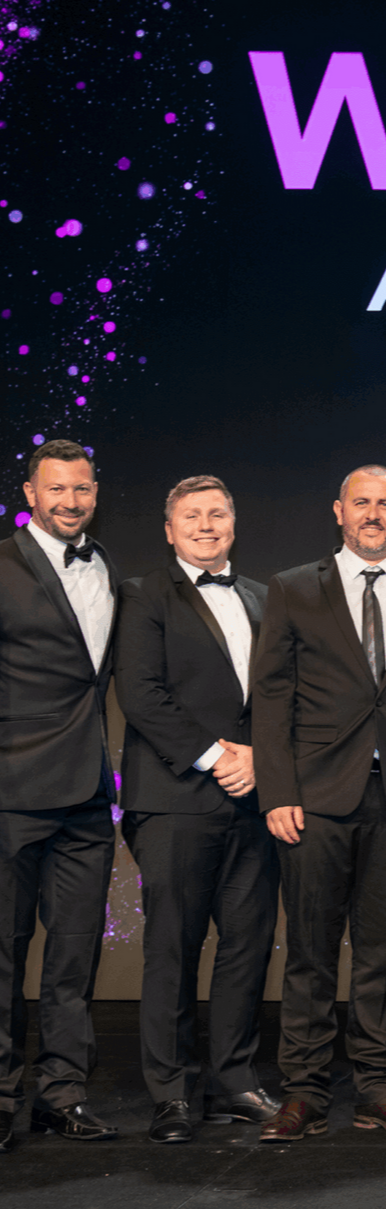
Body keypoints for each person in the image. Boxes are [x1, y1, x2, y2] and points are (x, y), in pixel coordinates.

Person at [252, 465, 386, 1142]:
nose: (373, 514)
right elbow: (272, 695)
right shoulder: (293, 587)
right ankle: (302, 1092)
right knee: (309, 951)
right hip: (313, 800)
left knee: (380, 951)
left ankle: (377, 1088)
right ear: (338, 510)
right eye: (361, 503)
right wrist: (277, 790)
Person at [114, 475, 279, 1143]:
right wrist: (221, 756)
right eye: (192, 515)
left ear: (233, 524)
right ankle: (173, 1092)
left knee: (246, 947)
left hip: (254, 802)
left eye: (217, 513)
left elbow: (282, 695)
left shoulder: (265, 598)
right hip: (176, 798)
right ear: (169, 527)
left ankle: (235, 1078)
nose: (206, 524)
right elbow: (143, 693)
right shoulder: (143, 594)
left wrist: (262, 759)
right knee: (172, 949)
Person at [0, 439, 119, 1151]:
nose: (70, 501)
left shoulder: (105, 566)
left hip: (85, 797)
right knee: (4, 954)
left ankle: (62, 1095)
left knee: (73, 958)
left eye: (81, 489)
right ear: (30, 492)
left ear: (94, 493)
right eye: (57, 489)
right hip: (11, 790)